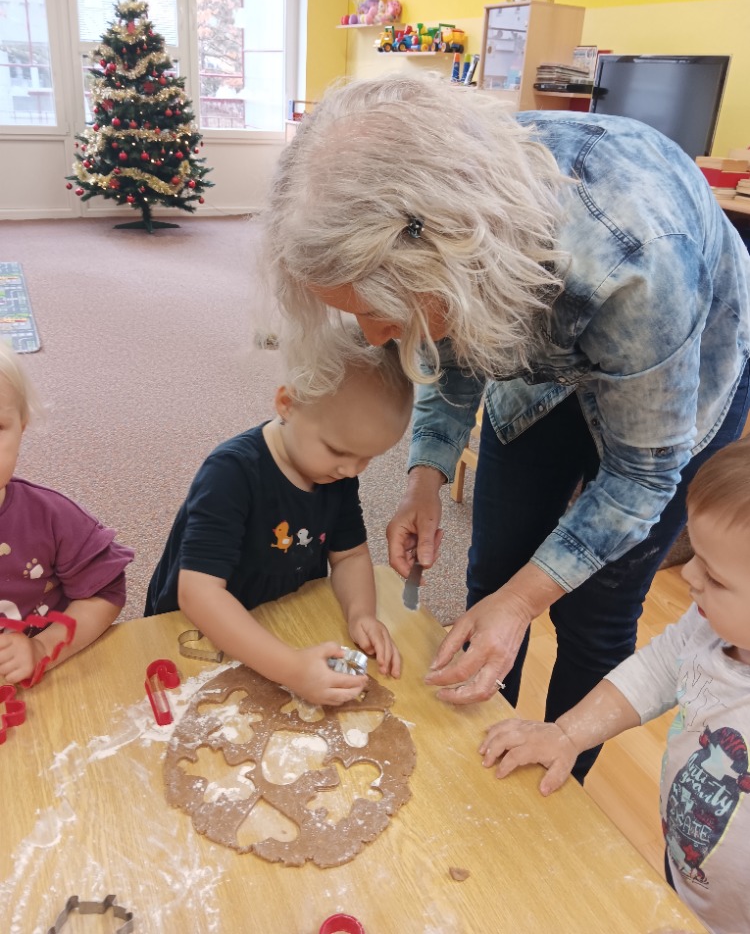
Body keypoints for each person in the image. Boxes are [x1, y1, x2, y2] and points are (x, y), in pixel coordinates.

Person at [264, 73, 750, 778]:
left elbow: (641, 479)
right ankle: (486, 745)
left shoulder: (640, 255)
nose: (373, 337)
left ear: (446, 262)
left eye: (377, 311)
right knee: (494, 571)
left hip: (673, 369)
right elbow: (449, 337)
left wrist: (525, 601)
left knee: (596, 611)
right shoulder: (453, 222)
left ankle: (554, 777)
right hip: (538, 357)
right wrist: (426, 477)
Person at [480, 436, 750, 934]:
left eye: (714, 576)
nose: (689, 574)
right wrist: (568, 733)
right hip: (689, 874)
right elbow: (658, 669)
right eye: (696, 555)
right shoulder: (708, 627)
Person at [145, 339, 411, 706]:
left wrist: (361, 613)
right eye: (338, 451)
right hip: (198, 629)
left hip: (277, 612)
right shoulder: (231, 473)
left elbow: (349, 556)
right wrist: (291, 669)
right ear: (287, 403)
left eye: (367, 458)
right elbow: (199, 594)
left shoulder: (338, 475)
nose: (351, 470)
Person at [0, 341, 134, 685]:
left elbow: (105, 593)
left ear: (21, 426)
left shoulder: (52, 518)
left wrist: (43, 648)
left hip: (44, 681)